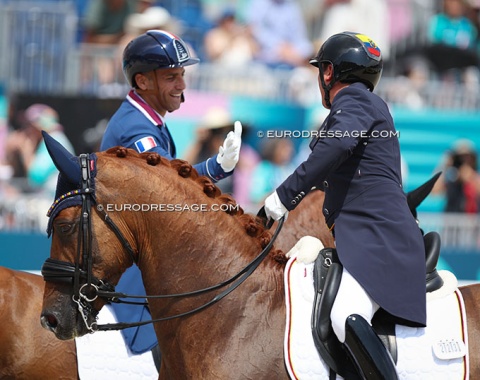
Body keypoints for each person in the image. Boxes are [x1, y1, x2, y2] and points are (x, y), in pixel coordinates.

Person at [263, 32, 426, 379]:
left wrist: (282, 196)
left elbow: (335, 148)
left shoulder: (354, 100)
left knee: (344, 316)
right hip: (370, 235)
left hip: (378, 239)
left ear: (328, 72)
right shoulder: (366, 105)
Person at [100, 29, 242, 367]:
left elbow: (169, 184)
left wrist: (215, 165)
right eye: (171, 77)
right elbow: (170, 195)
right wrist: (216, 168)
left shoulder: (148, 120)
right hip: (133, 278)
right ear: (143, 81)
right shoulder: (138, 130)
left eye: (182, 75)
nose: (182, 85)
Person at [4, 104, 75, 196]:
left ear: (38, 126)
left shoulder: (53, 141)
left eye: (29, 126)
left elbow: (35, 178)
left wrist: (26, 151)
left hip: (52, 199)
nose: (26, 130)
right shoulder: (55, 139)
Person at [432, 139, 480, 213]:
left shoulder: (476, 178)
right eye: (460, 157)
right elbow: (434, 191)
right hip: (452, 223)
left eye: (467, 157)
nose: (464, 161)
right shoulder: (450, 178)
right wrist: (443, 166)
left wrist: (471, 178)